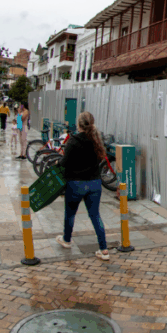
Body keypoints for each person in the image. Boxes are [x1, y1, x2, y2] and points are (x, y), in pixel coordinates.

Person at [55, 111, 111, 261]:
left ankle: (66, 240)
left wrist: (57, 163)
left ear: (79, 125)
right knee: (95, 215)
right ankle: (104, 249)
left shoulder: (73, 141)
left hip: (76, 183)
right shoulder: (96, 140)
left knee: (70, 213)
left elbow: (64, 162)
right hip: (94, 183)